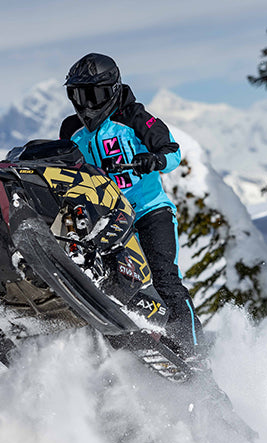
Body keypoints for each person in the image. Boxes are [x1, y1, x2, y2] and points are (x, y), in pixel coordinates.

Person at [59, 52, 206, 363]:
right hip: (105, 216)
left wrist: (154, 159)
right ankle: (124, 342)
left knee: (164, 277)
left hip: (149, 210)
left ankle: (193, 351)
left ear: (113, 90)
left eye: (95, 95)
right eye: (79, 96)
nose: (87, 105)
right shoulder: (71, 129)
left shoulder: (135, 118)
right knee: (100, 277)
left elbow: (173, 152)